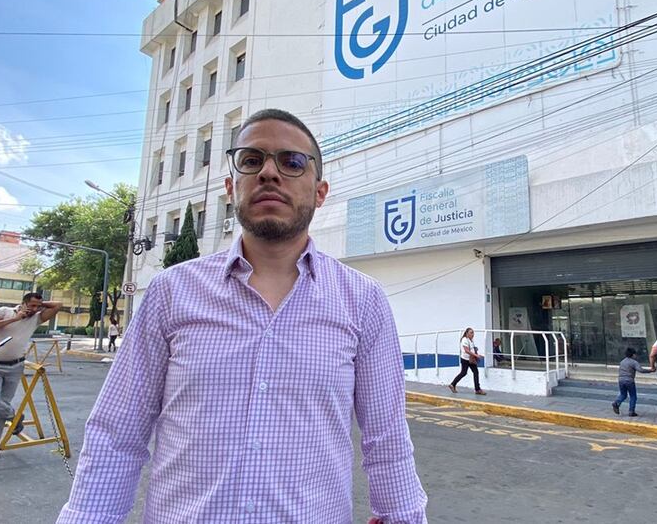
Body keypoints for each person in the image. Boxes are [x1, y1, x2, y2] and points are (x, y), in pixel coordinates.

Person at [58, 109, 426, 523]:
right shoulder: (171, 292)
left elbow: (387, 437)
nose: (269, 172)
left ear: (320, 192)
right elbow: (118, 433)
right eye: (252, 160)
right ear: (232, 187)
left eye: (292, 162)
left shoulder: (363, 300)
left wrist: (402, 516)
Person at [0, 291, 61, 459]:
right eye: (31, 305)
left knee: (3, 405)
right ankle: (15, 417)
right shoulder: (5, 311)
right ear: (23, 303)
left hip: (16, 366)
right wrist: (16, 318)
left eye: (37, 306)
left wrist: (39, 305)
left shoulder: (36, 318)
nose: (35, 309)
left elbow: (58, 306)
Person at [612, 347, 653, 416]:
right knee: (633, 396)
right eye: (635, 354)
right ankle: (631, 411)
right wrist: (650, 371)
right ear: (633, 354)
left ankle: (616, 402)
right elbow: (641, 370)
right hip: (629, 381)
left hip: (621, 380)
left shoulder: (622, 362)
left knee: (623, 394)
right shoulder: (634, 362)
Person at [448, 328, 487, 395]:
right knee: (464, 373)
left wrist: (476, 352)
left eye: (473, 333)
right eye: (471, 333)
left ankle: (477, 389)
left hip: (471, 359)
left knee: (474, 372)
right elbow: (466, 350)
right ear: (467, 333)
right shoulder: (464, 340)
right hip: (466, 359)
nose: (473, 334)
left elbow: (471, 349)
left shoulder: (470, 340)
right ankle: (453, 384)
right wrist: (476, 355)